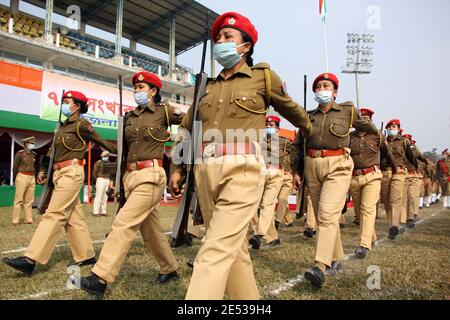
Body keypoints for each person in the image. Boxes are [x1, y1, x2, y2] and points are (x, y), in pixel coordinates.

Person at [169, 12, 311, 300]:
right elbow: (186, 131)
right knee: (233, 250)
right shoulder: (206, 87)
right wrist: (176, 167)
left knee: (214, 247)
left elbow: (295, 112)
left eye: (227, 37)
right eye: (218, 37)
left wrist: (310, 131)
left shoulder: (263, 77)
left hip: (242, 168)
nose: (220, 42)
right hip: (205, 169)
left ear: (245, 46)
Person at [79, 71, 184, 297]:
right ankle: (170, 268)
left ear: (153, 91)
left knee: (123, 224)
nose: (137, 91)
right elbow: (124, 152)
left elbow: (191, 121)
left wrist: (181, 152)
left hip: (152, 175)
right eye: (135, 88)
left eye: (141, 88)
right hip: (131, 177)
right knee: (151, 230)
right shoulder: (128, 118)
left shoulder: (164, 111)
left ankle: (100, 277)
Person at [2, 91, 117, 275]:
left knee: (54, 214)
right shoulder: (61, 127)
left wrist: (122, 150)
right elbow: (52, 152)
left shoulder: (82, 124)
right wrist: (42, 170)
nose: (63, 104)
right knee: (73, 218)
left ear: (77, 106)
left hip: (72, 171)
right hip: (57, 173)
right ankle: (86, 255)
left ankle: (30, 259)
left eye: (66, 101)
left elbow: (101, 141)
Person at [294, 72, 378, 289]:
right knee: (325, 216)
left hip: (338, 165)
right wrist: (297, 171)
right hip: (312, 165)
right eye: (319, 86)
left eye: (326, 85)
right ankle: (337, 257)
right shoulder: (307, 116)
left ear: (335, 91)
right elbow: (297, 145)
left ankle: (320, 265)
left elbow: (369, 129)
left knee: (326, 213)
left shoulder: (347, 111)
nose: (322, 89)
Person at [349, 108, 394, 259]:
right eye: (361, 118)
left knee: (367, 209)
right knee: (359, 212)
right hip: (354, 178)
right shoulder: (349, 137)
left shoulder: (377, 135)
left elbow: (387, 153)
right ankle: (371, 237)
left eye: (367, 118)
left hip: (372, 176)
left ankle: (363, 245)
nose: (364, 121)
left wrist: (394, 169)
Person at [249, 115, 284, 250]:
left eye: (272, 125)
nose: (269, 127)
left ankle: (259, 234)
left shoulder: (283, 140)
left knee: (267, 204)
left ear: (277, 127)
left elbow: (286, 156)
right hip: (261, 172)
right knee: (252, 202)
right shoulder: (258, 140)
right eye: (267, 125)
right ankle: (261, 232)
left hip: (276, 173)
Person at [380, 119, 415, 240]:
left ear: (398, 129)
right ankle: (391, 225)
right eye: (390, 127)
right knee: (386, 200)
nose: (392, 129)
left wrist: (412, 170)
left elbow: (411, 157)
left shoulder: (404, 141)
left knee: (395, 199)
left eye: (394, 127)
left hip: (399, 172)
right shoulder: (382, 141)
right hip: (385, 172)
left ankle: (394, 225)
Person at [11, 136, 36, 226]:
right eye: (31, 143)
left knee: (29, 200)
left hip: (31, 177)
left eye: (33, 143)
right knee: (18, 200)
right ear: (26, 144)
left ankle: (28, 219)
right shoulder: (19, 154)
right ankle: (15, 220)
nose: (33, 145)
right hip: (22, 176)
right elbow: (15, 168)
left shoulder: (33, 154)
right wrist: (15, 179)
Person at [92, 150, 112, 216]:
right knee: (98, 196)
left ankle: (103, 211)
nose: (107, 156)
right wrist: (97, 179)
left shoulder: (109, 163)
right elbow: (94, 172)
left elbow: (111, 172)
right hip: (100, 179)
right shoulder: (98, 163)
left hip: (107, 179)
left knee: (105, 197)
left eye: (108, 155)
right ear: (102, 156)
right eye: (106, 155)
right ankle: (96, 212)